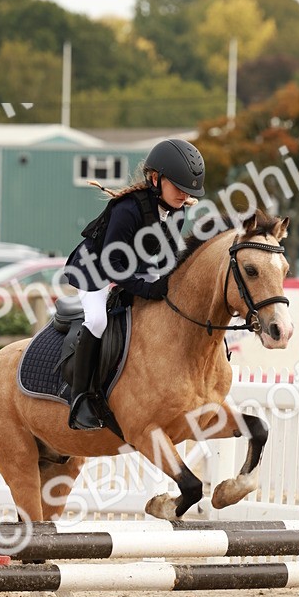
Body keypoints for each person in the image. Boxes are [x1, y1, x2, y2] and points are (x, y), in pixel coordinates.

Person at [63, 137, 205, 429]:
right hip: (95, 269)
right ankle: (80, 398)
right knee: (98, 321)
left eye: (188, 189)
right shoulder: (127, 209)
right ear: (155, 179)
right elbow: (111, 264)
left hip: (132, 267)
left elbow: (168, 256)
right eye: (178, 186)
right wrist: (146, 288)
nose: (184, 194)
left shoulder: (177, 211)